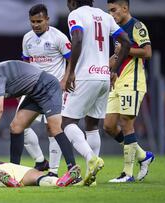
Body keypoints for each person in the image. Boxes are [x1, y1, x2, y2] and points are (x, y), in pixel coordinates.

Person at [0, 61, 77, 176]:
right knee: (16, 127)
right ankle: (14, 170)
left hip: (47, 87)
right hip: (34, 93)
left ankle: (73, 171)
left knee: (55, 128)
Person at [62, 0, 131, 186]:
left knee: (67, 122)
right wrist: (114, 70)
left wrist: (72, 71)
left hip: (85, 76)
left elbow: (76, 39)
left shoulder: (76, 15)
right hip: (103, 77)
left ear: (73, 2)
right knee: (92, 124)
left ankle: (91, 158)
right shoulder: (105, 16)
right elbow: (126, 41)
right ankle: (91, 177)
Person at [104, 0, 154, 183]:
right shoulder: (116, 30)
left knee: (126, 123)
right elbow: (118, 55)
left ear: (125, 8)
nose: (111, 14)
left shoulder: (137, 26)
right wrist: (103, 69)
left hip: (132, 81)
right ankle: (143, 156)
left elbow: (147, 52)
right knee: (109, 126)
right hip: (117, 82)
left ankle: (127, 173)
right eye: (108, 11)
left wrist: (127, 49)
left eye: (113, 10)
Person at [19, 3, 72, 175]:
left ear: (47, 19)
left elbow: (72, 60)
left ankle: (54, 171)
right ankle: (41, 161)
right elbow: (26, 62)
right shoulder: (27, 38)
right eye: (32, 21)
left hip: (53, 89)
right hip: (32, 88)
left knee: (53, 128)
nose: (36, 25)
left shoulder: (59, 37)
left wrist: (65, 79)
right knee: (19, 126)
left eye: (39, 21)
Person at [0, 161, 80, 187]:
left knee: (38, 176)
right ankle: (58, 182)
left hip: (12, 168)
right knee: (38, 177)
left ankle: (11, 183)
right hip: (7, 169)